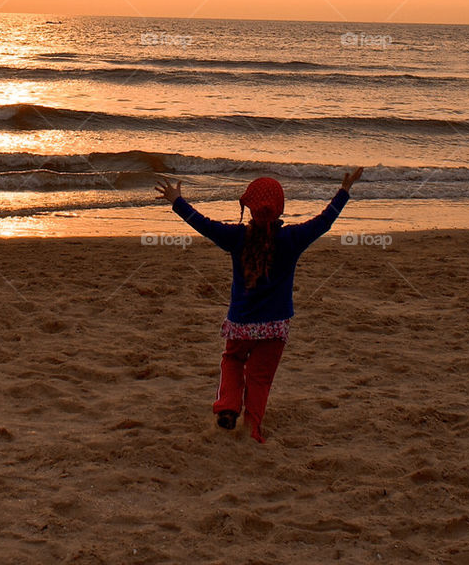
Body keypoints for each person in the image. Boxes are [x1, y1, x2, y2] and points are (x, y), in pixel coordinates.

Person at [155, 168, 363, 443]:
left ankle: (228, 406)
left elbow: (204, 225)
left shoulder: (237, 237)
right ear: (279, 208)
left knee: (232, 361)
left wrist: (177, 201)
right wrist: (344, 191)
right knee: (260, 378)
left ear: (250, 207)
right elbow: (324, 222)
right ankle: (251, 427)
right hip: (275, 326)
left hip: (241, 323)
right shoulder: (291, 239)